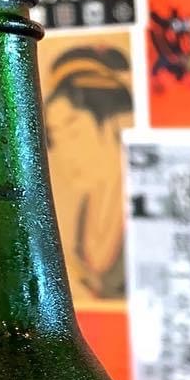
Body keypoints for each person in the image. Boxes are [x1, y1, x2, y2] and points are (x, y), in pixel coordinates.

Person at [42, 45, 133, 302]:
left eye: (73, 130)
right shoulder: (84, 213)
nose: (64, 151)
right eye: (56, 136)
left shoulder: (145, 201)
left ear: (113, 122)